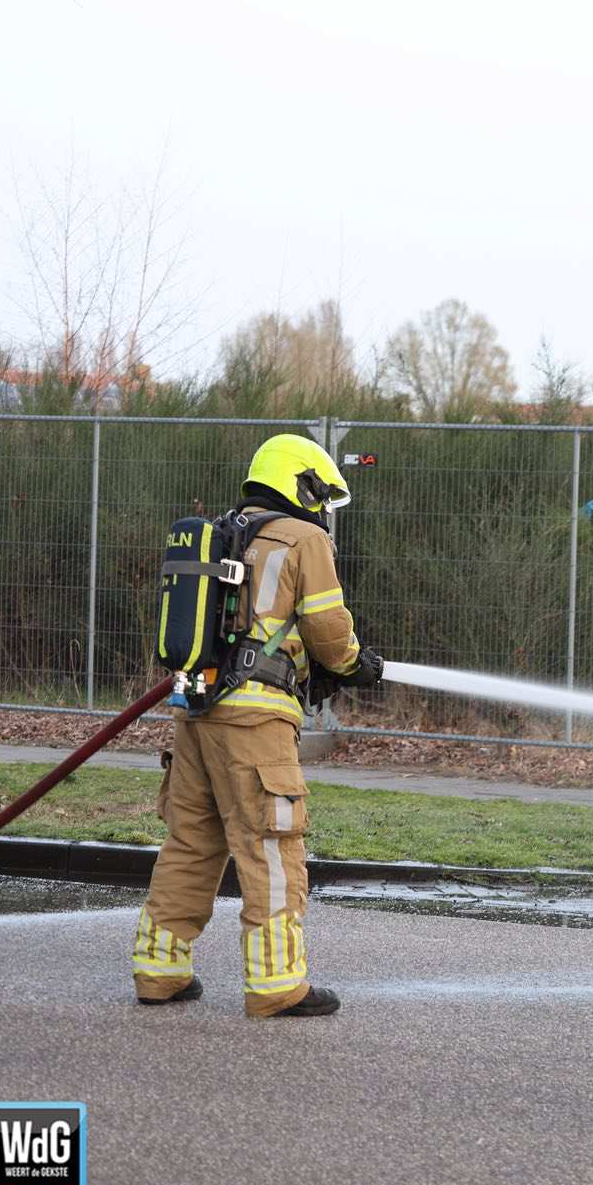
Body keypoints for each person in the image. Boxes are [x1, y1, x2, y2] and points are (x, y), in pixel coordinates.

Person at [130, 434, 383, 1017]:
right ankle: (276, 985)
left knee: (190, 842)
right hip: (255, 722)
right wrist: (354, 665)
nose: (323, 508)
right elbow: (328, 630)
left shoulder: (226, 533)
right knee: (271, 846)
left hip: (195, 711)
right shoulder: (303, 538)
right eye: (321, 495)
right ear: (303, 484)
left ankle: (159, 971)